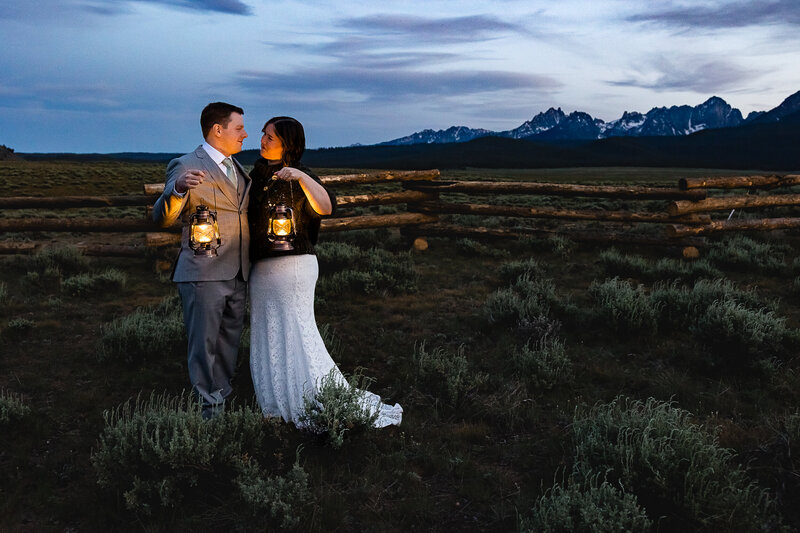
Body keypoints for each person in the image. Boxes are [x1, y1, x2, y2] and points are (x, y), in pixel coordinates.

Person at [248, 116, 402, 428]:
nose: (263, 141)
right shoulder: (257, 173)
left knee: (295, 329)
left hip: (292, 265)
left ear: (288, 145)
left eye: (271, 138)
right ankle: (274, 403)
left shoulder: (301, 174)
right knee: (267, 331)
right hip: (261, 268)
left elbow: (327, 207)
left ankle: (311, 397)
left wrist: (300, 178)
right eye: (263, 135)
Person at [152, 102, 251, 419]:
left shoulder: (238, 168)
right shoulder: (184, 164)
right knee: (204, 344)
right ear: (217, 129)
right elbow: (162, 218)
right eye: (239, 128)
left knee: (228, 342)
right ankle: (209, 411)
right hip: (204, 271)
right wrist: (178, 190)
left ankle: (222, 396)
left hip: (239, 272)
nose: (245, 134)